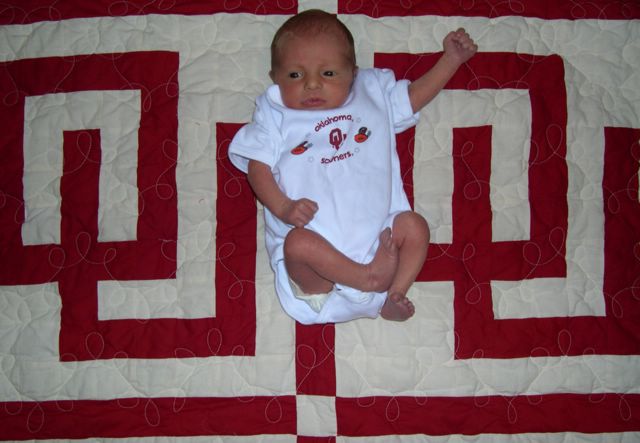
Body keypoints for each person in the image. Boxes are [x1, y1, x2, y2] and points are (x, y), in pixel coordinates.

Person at [229, 10, 477, 324]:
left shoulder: (370, 95)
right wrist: (284, 207)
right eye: (294, 75)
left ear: (353, 74)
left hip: (379, 242)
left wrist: (451, 60)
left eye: (328, 73)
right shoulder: (275, 115)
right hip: (318, 267)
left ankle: (394, 295)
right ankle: (367, 278)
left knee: (415, 227)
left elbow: (412, 97)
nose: (312, 84)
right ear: (275, 77)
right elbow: (257, 167)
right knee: (297, 245)